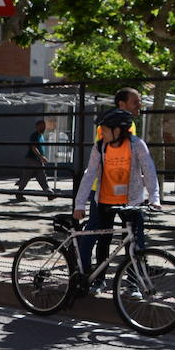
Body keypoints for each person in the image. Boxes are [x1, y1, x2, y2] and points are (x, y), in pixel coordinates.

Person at [73, 108, 161, 289]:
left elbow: (149, 170)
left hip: (131, 201)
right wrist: (79, 204)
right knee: (102, 240)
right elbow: (89, 174)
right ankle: (97, 279)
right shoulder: (100, 146)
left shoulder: (136, 145)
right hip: (104, 200)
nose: (101, 133)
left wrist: (154, 197)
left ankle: (133, 283)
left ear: (117, 131)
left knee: (135, 243)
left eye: (104, 130)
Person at [14, 119, 55, 202]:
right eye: (42, 126)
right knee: (26, 178)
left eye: (44, 126)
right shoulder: (34, 135)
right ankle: (19, 193)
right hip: (31, 160)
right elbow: (33, 147)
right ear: (37, 127)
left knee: (42, 178)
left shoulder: (41, 136)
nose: (44, 127)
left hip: (38, 161)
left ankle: (49, 194)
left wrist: (41, 157)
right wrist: (41, 157)